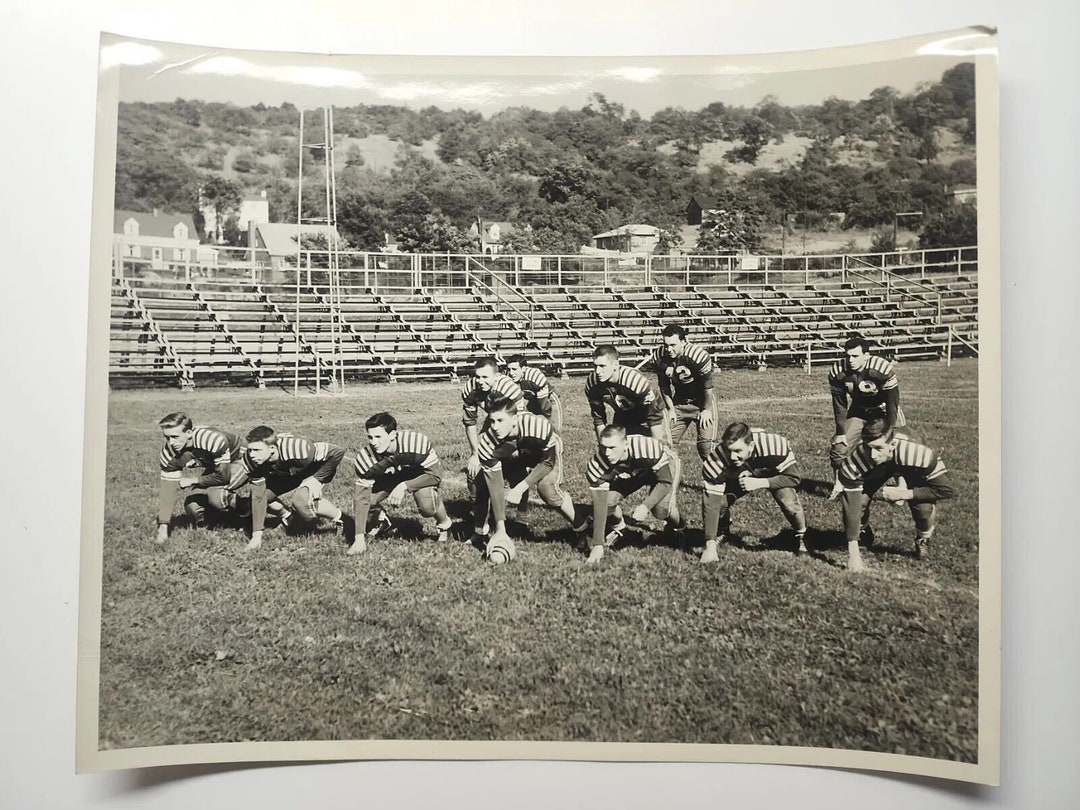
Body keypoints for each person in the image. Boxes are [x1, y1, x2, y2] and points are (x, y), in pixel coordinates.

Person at [837, 418, 955, 572]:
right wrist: (853, 554)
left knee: (923, 510)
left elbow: (945, 490)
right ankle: (863, 532)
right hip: (881, 467)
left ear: (891, 444)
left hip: (907, 463)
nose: (872, 454)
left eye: (878, 448)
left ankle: (922, 539)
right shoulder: (856, 460)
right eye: (868, 447)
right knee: (860, 502)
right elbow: (851, 507)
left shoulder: (918, 453)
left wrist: (904, 493)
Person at [473, 396, 586, 554]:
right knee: (480, 483)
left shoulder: (537, 426)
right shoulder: (488, 444)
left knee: (547, 488)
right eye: (492, 421)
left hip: (544, 454)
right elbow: (496, 486)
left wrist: (520, 488)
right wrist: (501, 528)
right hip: (519, 452)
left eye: (500, 420)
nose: (495, 427)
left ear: (514, 419)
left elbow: (547, 462)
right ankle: (481, 531)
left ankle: (582, 528)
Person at [699, 422, 807, 563]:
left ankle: (802, 536)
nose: (732, 456)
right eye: (729, 450)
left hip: (771, 473)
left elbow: (793, 478)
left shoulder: (774, 445)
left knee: (789, 503)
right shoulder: (716, 460)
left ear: (751, 446)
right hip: (739, 476)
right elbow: (711, 504)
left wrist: (761, 482)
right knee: (720, 503)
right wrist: (709, 546)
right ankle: (723, 532)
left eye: (738, 451)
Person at [349, 412, 454, 556]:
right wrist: (359, 538)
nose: (373, 442)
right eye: (370, 437)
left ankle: (444, 525)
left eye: (378, 437)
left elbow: (435, 476)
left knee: (427, 507)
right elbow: (361, 498)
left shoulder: (416, 444)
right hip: (392, 477)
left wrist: (404, 486)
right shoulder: (366, 458)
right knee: (368, 501)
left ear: (392, 435)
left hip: (418, 475)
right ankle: (382, 521)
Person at [232, 426, 346, 551]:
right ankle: (289, 518)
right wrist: (256, 536)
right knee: (259, 499)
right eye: (251, 450)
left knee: (301, 501)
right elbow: (258, 497)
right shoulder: (251, 460)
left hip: (314, 470)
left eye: (257, 450)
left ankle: (344, 520)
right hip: (288, 474)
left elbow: (337, 451)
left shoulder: (298, 449)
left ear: (272, 448)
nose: (252, 455)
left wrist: (317, 479)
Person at [584, 425, 684, 565]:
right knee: (608, 502)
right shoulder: (597, 466)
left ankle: (679, 527)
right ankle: (620, 528)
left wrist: (645, 506)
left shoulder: (647, 448)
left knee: (661, 510)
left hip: (663, 463)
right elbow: (600, 507)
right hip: (636, 471)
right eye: (603, 447)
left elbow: (665, 482)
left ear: (625, 444)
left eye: (612, 448)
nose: (607, 453)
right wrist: (598, 545)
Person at [828, 335, 907, 498]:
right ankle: (839, 484)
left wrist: (890, 429)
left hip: (884, 409)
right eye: (848, 355)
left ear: (866, 355)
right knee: (839, 446)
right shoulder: (838, 371)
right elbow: (839, 404)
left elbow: (893, 402)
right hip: (859, 410)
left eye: (855, 356)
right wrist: (840, 431)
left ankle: (901, 487)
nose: (850, 360)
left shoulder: (881, 368)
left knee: (897, 445)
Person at [154, 412, 244, 544]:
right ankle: (228, 519)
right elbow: (168, 490)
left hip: (241, 458)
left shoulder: (211, 439)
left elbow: (223, 477)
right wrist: (163, 527)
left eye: (175, 437)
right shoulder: (169, 453)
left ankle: (251, 513)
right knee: (193, 507)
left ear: (189, 433)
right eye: (167, 437)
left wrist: (193, 480)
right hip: (218, 465)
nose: (171, 442)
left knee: (217, 497)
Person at [648, 324, 717, 460]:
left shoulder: (697, 356)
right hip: (679, 402)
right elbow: (664, 386)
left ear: (684, 342)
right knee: (665, 443)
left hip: (701, 402)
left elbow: (707, 387)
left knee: (706, 447)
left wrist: (707, 410)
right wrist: (671, 408)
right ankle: (669, 478)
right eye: (666, 345)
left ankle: (717, 479)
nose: (669, 349)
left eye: (673, 345)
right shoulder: (660, 356)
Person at [462, 357, 526, 499]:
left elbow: (519, 422)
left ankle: (522, 515)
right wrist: (475, 452)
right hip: (493, 420)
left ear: (496, 376)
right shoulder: (470, 388)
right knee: (474, 466)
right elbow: (470, 422)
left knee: (514, 463)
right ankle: (477, 508)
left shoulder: (509, 388)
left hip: (514, 425)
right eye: (477, 376)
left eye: (485, 377)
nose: (480, 381)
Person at [585, 345, 667, 446]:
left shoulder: (634, 381)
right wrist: (603, 446)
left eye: (602, 366)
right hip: (623, 414)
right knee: (618, 450)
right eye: (595, 366)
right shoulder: (593, 383)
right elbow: (599, 418)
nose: (597, 371)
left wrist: (659, 446)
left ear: (615, 364)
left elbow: (654, 416)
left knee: (660, 451)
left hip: (651, 412)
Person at [506, 354, 563, 431]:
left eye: (514, 369)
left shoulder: (534, 377)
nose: (511, 373)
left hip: (549, 400)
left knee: (553, 430)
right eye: (509, 369)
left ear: (523, 369)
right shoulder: (509, 376)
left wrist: (545, 418)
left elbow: (544, 406)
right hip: (533, 400)